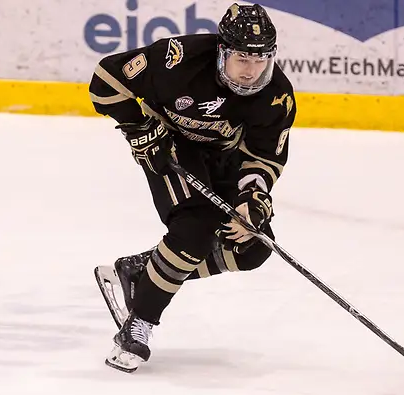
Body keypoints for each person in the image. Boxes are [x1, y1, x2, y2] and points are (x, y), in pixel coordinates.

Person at [88, 3, 296, 373]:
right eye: (243, 59)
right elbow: (106, 80)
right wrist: (137, 127)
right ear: (222, 50)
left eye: (260, 60)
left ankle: (142, 272)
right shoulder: (177, 60)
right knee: (193, 232)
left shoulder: (276, 95)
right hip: (169, 147)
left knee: (251, 248)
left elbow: (264, 157)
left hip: (222, 156)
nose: (251, 71)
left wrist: (252, 201)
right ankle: (138, 325)